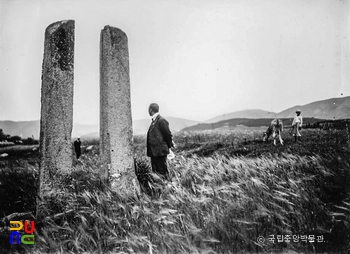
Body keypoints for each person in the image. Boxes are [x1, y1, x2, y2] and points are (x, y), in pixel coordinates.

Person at [146, 103, 174, 180]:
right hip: (154, 153)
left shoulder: (161, 120)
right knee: (156, 173)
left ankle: (167, 188)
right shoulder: (154, 121)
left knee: (163, 172)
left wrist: (169, 147)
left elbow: (168, 135)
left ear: (150, 110)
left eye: (149, 109)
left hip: (160, 152)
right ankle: (159, 188)